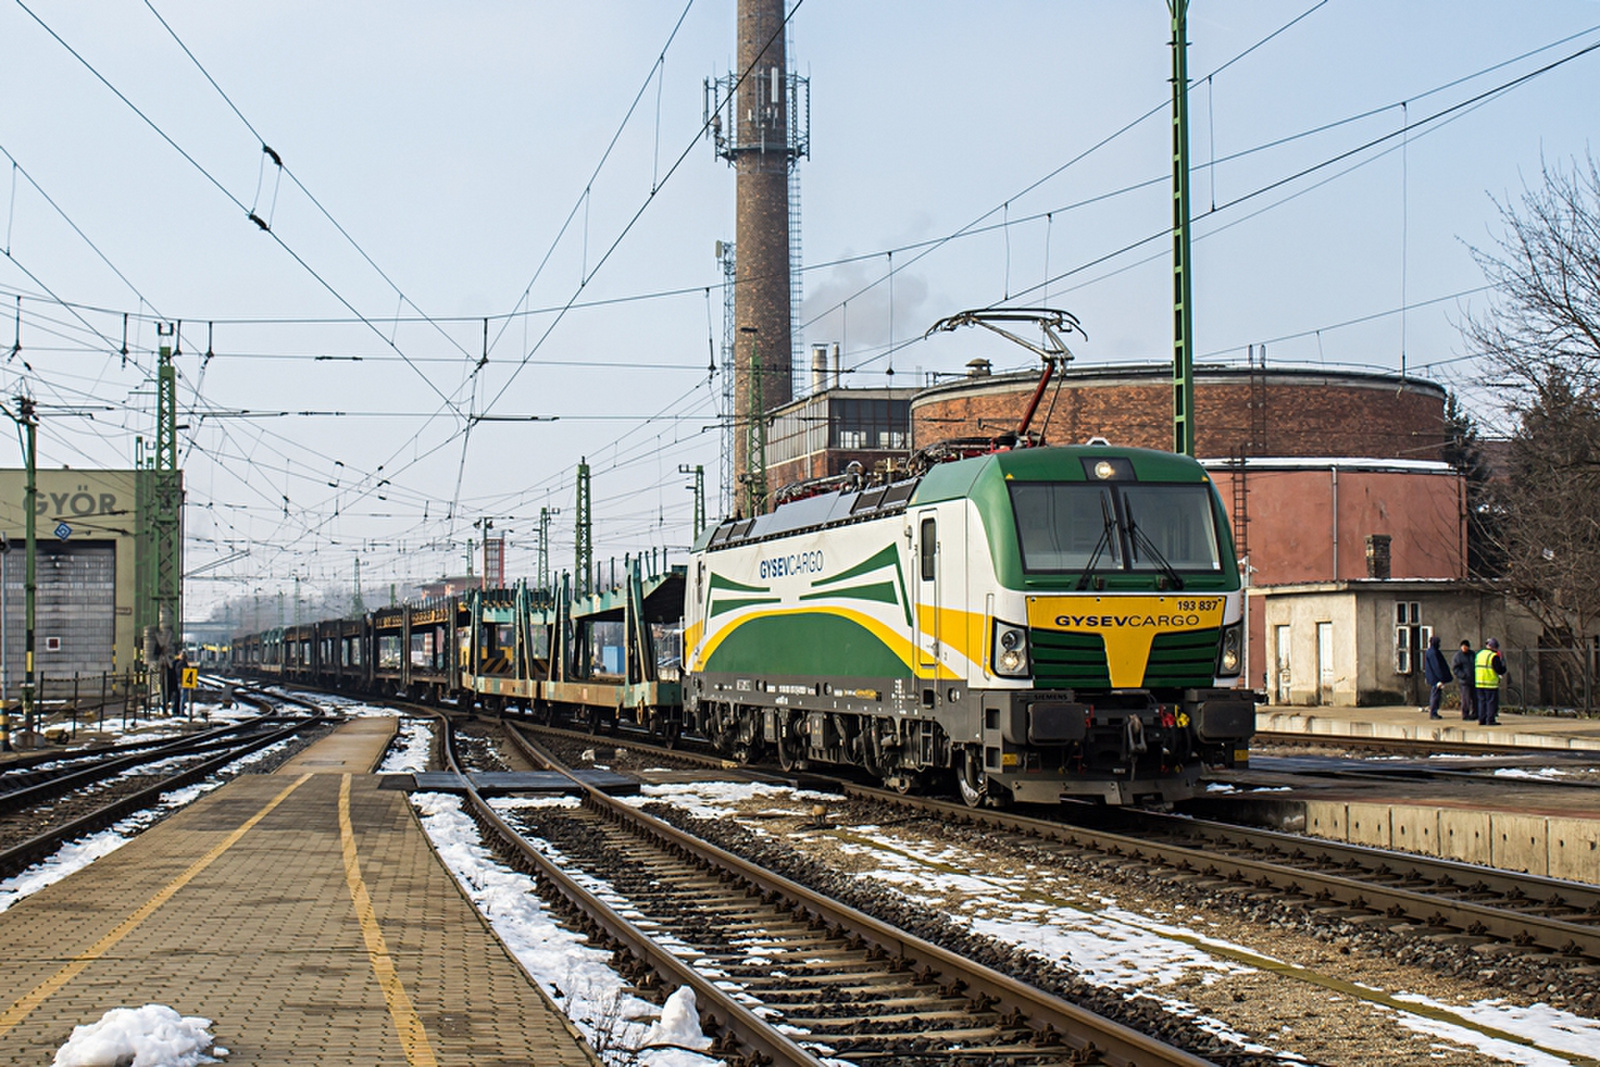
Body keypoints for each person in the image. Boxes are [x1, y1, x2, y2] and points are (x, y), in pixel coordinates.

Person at [1474, 637, 1507, 726]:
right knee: (1491, 702)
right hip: (1490, 683)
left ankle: (1482, 719)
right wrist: (1503, 669)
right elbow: (1498, 669)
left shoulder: (1479, 654)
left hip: (1479, 682)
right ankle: (1490, 720)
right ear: (1494, 647)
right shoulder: (1493, 656)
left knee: (1481, 702)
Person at [1422, 635, 1449, 719]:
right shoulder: (1434, 652)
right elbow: (1436, 666)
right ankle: (1433, 713)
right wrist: (1440, 678)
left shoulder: (1430, 652)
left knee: (1435, 694)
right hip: (1436, 678)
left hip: (1432, 677)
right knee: (1435, 695)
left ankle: (1434, 712)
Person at [1451, 640, 1476, 721]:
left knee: (1475, 698)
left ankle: (1475, 713)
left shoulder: (1472, 654)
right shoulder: (1458, 656)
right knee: (1466, 699)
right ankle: (1465, 714)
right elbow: (1455, 668)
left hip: (1473, 679)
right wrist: (1463, 675)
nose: (1464, 648)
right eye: (1463, 646)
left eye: (1466, 647)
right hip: (1464, 681)